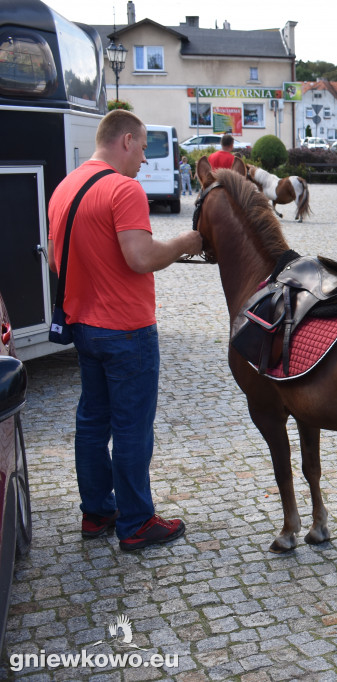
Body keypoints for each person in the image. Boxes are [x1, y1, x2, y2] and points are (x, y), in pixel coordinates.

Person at [45, 110, 203, 552]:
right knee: (133, 427)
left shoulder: (64, 187)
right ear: (127, 140)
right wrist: (185, 243)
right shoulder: (123, 188)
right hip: (126, 329)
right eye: (145, 150)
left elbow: (57, 261)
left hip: (83, 325)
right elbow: (140, 256)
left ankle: (97, 512)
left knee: (92, 421)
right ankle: (136, 523)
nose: (145, 163)